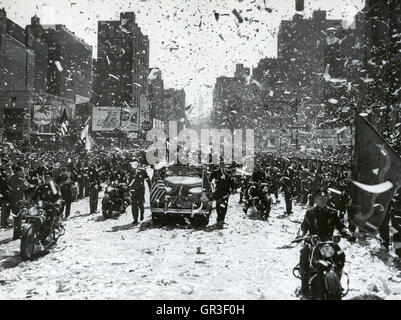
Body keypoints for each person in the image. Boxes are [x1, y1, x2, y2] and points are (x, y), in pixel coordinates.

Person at [296, 188, 355, 298]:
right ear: (316, 199)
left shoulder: (332, 212)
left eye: (324, 198)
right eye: (320, 198)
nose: (322, 200)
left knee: (341, 255)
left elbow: (341, 226)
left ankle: (336, 280)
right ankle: (304, 287)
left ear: (328, 199)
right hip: (314, 243)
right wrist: (301, 235)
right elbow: (303, 227)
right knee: (304, 254)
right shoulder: (310, 212)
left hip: (329, 243)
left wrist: (348, 233)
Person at [32, 175, 63, 243]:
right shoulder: (41, 187)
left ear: (52, 179)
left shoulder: (53, 186)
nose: (47, 179)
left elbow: (58, 197)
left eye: (49, 178)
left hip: (51, 206)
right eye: (46, 178)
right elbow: (34, 196)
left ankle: (50, 234)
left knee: (49, 219)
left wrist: (56, 203)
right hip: (41, 207)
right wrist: (29, 201)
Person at [8, 166, 31, 239]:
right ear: (19, 171)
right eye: (23, 171)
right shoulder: (21, 180)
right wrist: (24, 178)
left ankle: (16, 234)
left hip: (12, 199)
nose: (23, 172)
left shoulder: (11, 178)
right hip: (19, 200)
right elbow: (27, 187)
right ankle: (16, 235)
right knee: (19, 218)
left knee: (15, 217)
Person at [209, 158, 233, 228]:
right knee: (218, 206)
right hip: (218, 191)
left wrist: (232, 188)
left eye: (223, 164)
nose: (222, 165)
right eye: (221, 164)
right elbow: (209, 179)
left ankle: (221, 220)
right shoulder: (215, 172)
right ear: (219, 165)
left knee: (224, 206)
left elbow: (230, 181)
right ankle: (218, 219)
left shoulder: (227, 172)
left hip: (226, 192)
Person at [127, 158, 151, 225]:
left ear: (137, 164)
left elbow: (148, 179)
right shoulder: (130, 171)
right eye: (132, 163)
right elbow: (128, 181)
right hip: (133, 190)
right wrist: (128, 189)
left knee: (140, 204)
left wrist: (150, 188)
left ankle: (142, 213)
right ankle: (135, 220)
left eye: (135, 163)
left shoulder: (142, 171)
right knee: (134, 205)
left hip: (140, 190)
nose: (133, 164)